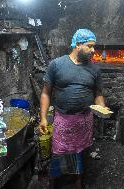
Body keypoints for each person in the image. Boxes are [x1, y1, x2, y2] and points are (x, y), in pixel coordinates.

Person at [39, 29, 107, 189]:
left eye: (93, 46)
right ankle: (53, 183)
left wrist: (101, 106)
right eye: (90, 46)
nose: (93, 50)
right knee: (58, 154)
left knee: (79, 154)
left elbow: (98, 94)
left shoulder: (94, 70)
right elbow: (45, 93)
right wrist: (43, 117)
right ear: (78, 45)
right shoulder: (56, 65)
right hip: (63, 121)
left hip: (84, 121)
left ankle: (78, 183)